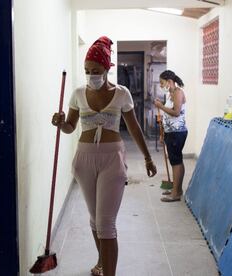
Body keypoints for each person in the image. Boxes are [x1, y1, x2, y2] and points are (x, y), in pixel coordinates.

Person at [51, 36, 157, 276]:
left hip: (112, 161)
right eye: (87, 71)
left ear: (108, 68)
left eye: (96, 71)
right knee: (94, 220)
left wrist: (148, 157)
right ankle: (102, 263)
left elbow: (134, 128)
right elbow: (70, 127)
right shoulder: (78, 94)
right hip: (84, 161)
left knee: (106, 225)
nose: (91, 75)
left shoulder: (122, 94)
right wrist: (60, 123)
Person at [154, 70, 188, 202]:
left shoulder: (178, 93)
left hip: (177, 132)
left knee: (176, 162)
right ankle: (177, 189)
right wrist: (162, 133)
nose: (161, 86)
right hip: (171, 132)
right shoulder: (170, 94)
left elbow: (176, 112)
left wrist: (160, 106)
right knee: (176, 160)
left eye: (162, 83)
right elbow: (167, 115)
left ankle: (175, 194)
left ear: (169, 81)